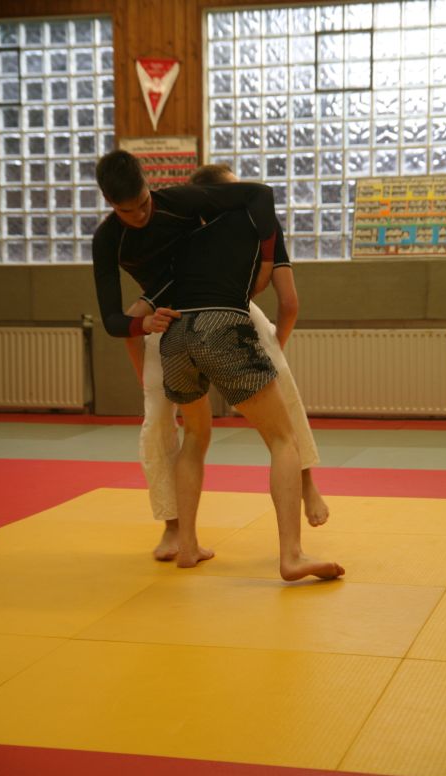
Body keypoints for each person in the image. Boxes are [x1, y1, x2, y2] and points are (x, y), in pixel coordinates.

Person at [92, 150, 328, 561]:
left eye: (144, 203)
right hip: (165, 312)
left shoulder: (192, 205)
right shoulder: (109, 237)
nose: (140, 215)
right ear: (110, 204)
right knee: (159, 419)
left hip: (217, 303)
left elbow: (259, 199)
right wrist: (142, 335)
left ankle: (307, 482)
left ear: (149, 187)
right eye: (127, 211)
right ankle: (175, 528)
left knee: (280, 382)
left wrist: (267, 262)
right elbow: (116, 319)